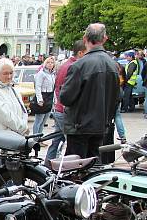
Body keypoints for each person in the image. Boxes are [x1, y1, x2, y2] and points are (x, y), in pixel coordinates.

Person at [59, 23, 121, 159]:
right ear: (104, 39)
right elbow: (117, 98)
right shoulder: (113, 65)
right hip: (100, 125)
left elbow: (65, 98)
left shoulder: (80, 65)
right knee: (93, 166)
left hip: (79, 126)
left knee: (75, 169)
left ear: (85, 38)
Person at [45, 40, 86, 162]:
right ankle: (62, 166)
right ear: (80, 53)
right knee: (70, 142)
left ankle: (49, 163)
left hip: (60, 109)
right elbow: (65, 91)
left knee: (57, 139)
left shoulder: (67, 65)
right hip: (64, 111)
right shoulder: (72, 67)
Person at [32, 56, 56, 136]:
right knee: (39, 120)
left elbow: (54, 88)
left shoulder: (52, 74)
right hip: (43, 96)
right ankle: (35, 138)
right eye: (48, 62)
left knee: (44, 120)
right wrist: (40, 99)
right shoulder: (41, 73)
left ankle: (39, 137)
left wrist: (54, 100)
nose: (50, 64)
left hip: (49, 96)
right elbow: (37, 87)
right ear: (45, 63)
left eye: (52, 62)